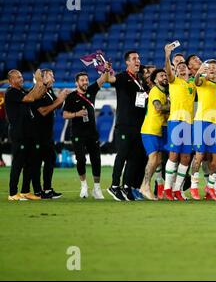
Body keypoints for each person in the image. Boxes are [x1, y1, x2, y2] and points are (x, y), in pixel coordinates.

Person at [106, 51, 148, 201]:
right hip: (124, 124)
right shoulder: (122, 77)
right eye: (134, 58)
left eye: (138, 58)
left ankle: (126, 187)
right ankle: (114, 186)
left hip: (138, 125)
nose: (138, 60)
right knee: (122, 155)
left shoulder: (141, 79)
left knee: (134, 158)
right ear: (127, 62)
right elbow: (110, 79)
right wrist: (106, 70)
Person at [63, 70, 109, 199]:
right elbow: (65, 114)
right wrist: (77, 114)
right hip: (77, 133)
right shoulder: (71, 96)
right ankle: (83, 186)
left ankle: (97, 188)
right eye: (82, 80)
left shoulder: (91, 90)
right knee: (81, 160)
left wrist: (106, 69)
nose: (85, 82)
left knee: (96, 160)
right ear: (77, 82)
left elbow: (102, 79)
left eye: (86, 80)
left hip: (92, 133)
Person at [5, 69, 47, 201]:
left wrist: (43, 84)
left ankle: (25, 191)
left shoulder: (21, 91)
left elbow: (37, 96)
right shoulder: (11, 92)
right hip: (19, 133)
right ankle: (12, 193)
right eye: (18, 77)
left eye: (21, 76)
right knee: (18, 163)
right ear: (11, 81)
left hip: (28, 133)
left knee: (30, 163)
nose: (21, 79)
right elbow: (31, 97)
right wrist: (38, 81)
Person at [163, 42, 195, 201]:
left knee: (186, 157)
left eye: (184, 66)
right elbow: (168, 71)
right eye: (179, 66)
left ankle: (177, 189)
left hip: (190, 123)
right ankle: (167, 188)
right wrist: (167, 55)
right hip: (176, 121)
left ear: (189, 70)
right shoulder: (173, 80)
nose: (182, 68)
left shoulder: (193, 84)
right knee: (174, 154)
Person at [31, 69, 69, 199]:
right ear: (42, 78)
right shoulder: (36, 92)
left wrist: (61, 98)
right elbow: (43, 111)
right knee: (36, 162)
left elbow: (56, 105)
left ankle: (47, 189)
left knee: (50, 158)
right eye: (51, 76)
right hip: (37, 134)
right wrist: (60, 100)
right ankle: (37, 191)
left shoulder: (49, 91)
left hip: (47, 133)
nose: (53, 79)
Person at [190, 60, 216, 200]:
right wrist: (199, 72)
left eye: (214, 68)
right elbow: (196, 81)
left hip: (215, 124)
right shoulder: (202, 81)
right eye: (209, 68)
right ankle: (194, 187)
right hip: (201, 121)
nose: (212, 69)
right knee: (199, 155)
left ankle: (210, 187)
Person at [140, 69, 170, 200]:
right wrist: (175, 104)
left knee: (158, 160)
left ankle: (149, 186)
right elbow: (158, 107)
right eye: (161, 76)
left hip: (160, 129)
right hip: (150, 129)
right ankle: (144, 186)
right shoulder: (155, 91)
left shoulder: (166, 91)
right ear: (155, 80)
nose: (164, 77)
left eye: (165, 75)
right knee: (153, 158)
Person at [0, 90, 7, 167]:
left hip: (2, 121)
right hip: (3, 121)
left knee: (1, 142)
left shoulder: (3, 94)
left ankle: (1, 160)